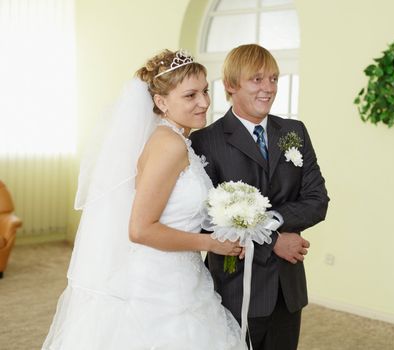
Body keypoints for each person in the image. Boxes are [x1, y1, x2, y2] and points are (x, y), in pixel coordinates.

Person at [43, 49, 247, 350]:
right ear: (161, 102)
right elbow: (140, 229)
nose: (204, 101)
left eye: (205, 90)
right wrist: (212, 243)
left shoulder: (177, 140)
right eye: (190, 95)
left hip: (181, 276)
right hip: (160, 287)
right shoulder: (169, 146)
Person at [190, 44, 330, 350]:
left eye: (274, 79)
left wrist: (273, 224)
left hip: (287, 288)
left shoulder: (295, 131)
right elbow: (206, 220)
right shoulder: (204, 140)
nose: (268, 88)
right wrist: (275, 241)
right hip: (234, 286)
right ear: (230, 85)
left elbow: (318, 200)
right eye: (257, 79)